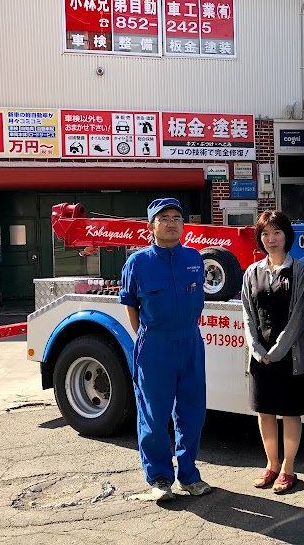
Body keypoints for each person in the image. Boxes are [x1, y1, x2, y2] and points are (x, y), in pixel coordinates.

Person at [119, 198, 211, 502]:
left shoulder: (194, 258)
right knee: (154, 416)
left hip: (190, 342)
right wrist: (148, 337)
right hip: (156, 345)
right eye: (163, 218)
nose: (171, 223)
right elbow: (132, 306)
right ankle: (159, 478)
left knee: (192, 413)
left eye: (176, 217)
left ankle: (189, 476)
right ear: (151, 226)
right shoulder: (137, 263)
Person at [241, 211, 304, 494]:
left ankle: (288, 469)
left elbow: (298, 315)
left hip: (289, 356)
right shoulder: (252, 272)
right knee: (265, 412)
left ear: (287, 235)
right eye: (265, 234)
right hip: (260, 357)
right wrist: (257, 350)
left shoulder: (299, 270)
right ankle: (271, 464)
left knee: (290, 413)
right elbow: (246, 314)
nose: (271, 239)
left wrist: (277, 351)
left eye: (277, 233)